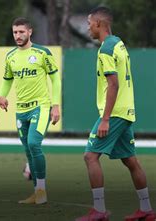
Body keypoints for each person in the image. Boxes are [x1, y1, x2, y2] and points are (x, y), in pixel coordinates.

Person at [76, 6, 155, 221]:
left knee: (90, 156)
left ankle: (99, 211)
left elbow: (113, 85)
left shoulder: (106, 50)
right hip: (126, 110)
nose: (88, 27)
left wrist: (105, 119)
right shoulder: (118, 43)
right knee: (130, 160)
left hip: (115, 113)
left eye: (89, 23)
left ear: (99, 24)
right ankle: (147, 210)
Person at [0, 17, 61, 205]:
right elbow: (7, 81)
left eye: (21, 32)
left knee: (34, 144)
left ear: (30, 32)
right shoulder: (11, 56)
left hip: (41, 106)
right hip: (21, 110)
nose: (18, 35)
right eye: (15, 32)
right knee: (28, 150)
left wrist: (55, 105)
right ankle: (37, 193)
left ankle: (42, 191)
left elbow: (55, 79)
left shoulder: (42, 53)